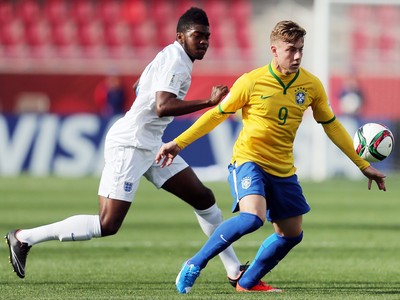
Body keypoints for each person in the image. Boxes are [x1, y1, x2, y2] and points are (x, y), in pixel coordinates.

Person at [5, 7, 246, 287]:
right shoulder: (175, 61)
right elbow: (162, 106)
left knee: (203, 198)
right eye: (197, 36)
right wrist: (208, 102)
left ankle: (234, 271)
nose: (204, 41)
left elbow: (137, 87)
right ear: (181, 36)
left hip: (151, 145)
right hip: (130, 145)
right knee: (108, 224)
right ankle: (24, 238)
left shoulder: (170, 56)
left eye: (207, 36)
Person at [156, 20, 387, 294]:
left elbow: (332, 125)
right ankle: (195, 263)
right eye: (291, 50)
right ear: (274, 50)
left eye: (301, 49)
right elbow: (216, 114)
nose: (298, 55)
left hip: (283, 169)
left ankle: (247, 282)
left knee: (291, 234)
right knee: (252, 217)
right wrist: (178, 143)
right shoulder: (251, 81)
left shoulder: (311, 85)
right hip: (249, 161)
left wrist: (363, 165)